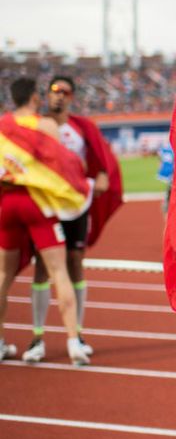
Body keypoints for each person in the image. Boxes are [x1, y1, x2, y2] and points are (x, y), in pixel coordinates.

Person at [20, 76, 120, 363]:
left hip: (77, 207)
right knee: (43, 268)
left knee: (75, 262)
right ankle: (37, 337)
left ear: (72, 97)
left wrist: (101, 176)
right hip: (47, 206)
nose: (59, 96)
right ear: (46, 96)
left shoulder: (82, 128)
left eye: (64, 92)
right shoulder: (38, 125)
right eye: (54, 91)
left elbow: (102, 162)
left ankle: (76, 333)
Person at [0, 77, 90, 365]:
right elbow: (62, 164)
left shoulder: (2, 126)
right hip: (37, 203)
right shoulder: (46, 125)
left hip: (6, 204)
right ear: (36, 98)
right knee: (58, 271)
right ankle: (74, 341)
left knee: (3, 276)